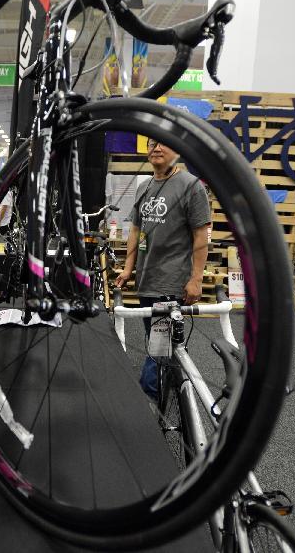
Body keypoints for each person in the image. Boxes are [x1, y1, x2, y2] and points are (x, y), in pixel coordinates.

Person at [114, 138, 211, 399]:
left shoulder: (191, 186)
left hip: (172, 282)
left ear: (177, 151)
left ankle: (150, 402)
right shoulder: (144, 186)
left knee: (159, 346)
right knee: (161, 342)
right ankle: (174, 389)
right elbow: (136, 230)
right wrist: (128, 268)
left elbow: (201, 236)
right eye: (152, 143)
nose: (156, 148)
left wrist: (196, 279)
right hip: (147, 280)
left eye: (163, 144)